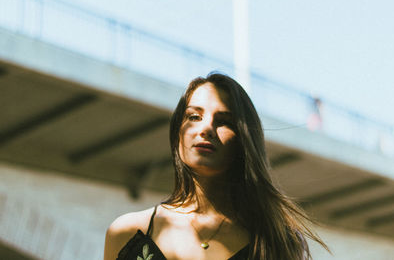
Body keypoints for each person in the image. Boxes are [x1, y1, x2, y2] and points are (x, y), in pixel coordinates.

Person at [104, 73, 328, 260]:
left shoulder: (277, 242)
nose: (206, 128)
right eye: (194, 116)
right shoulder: (126, 232)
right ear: (177, 134)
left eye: (224, 121)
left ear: (243, 140)